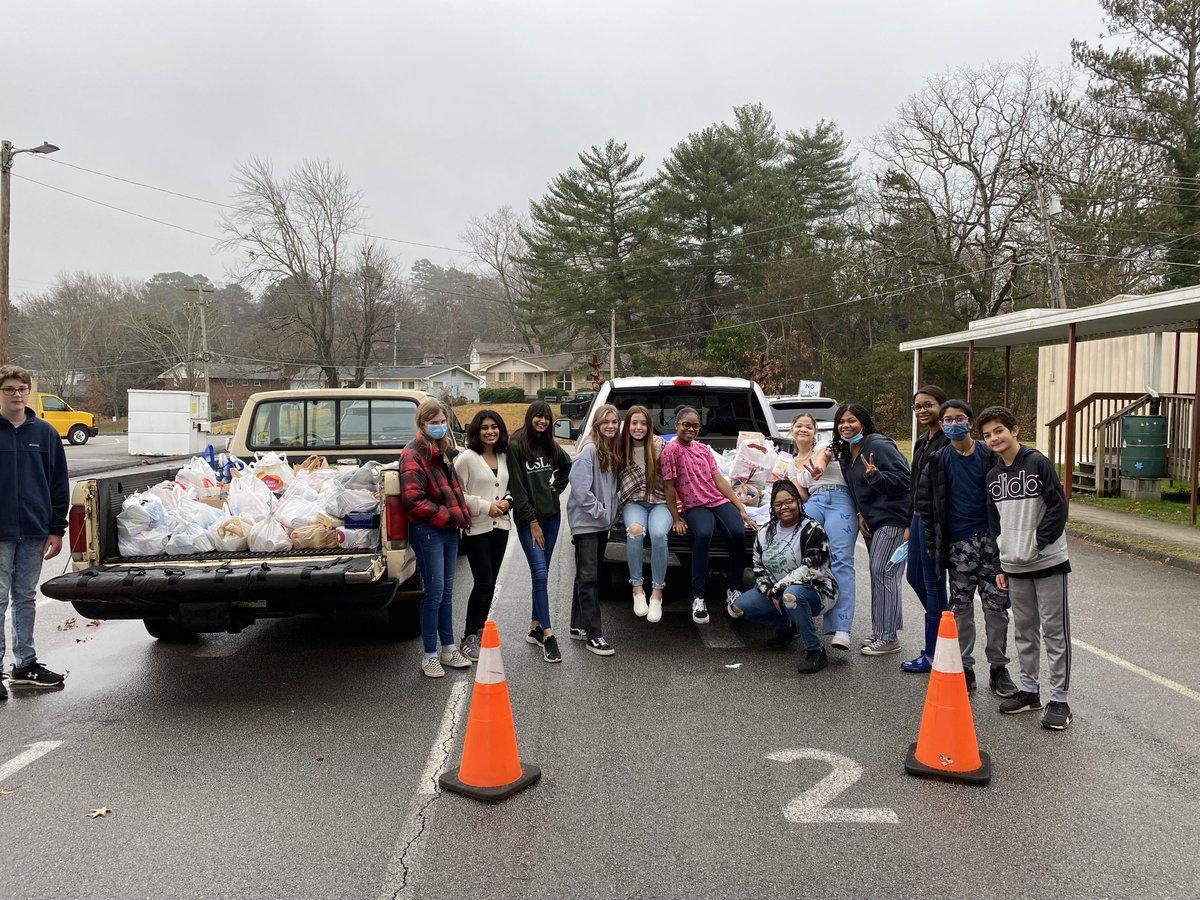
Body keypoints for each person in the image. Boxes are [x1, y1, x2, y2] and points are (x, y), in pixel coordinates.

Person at [978, 405, 1073, 731]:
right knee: (1025, 631)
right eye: (987, 435)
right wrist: (1000, 563)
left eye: (999, 431)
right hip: (1013, 566)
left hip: (1047, 562)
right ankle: (1030, 692)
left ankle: (1059, 700)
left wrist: (1037, 543)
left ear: (1015, 430)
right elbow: (995, 523)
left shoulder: (1036, 463)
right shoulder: (993, 477)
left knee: (1054, 632)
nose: (994, 438)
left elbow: (1058, 507)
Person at [915, 400, 1017, 696]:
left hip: (993, 543)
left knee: (996, 607)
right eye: (947, 420)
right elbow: (926, 506)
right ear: (942, 425)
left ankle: (998, 667)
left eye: (959, 419)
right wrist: (933, 544)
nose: (953, 424)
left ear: (970, 423)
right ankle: (964, 666)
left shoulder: (990, 456)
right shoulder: (937, 460)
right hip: (958, 545)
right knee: (960, 607)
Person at [0, 364, 68, 696]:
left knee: (25, 598)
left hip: (34, 530)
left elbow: (58, 484)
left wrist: (57, 529)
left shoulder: (45, 434)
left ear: (29, 392)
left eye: (22, 389)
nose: (17, 395)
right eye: (9, 389)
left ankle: (25, 664)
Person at [729, 480, 838, 674]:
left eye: (789, 501)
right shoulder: (765, 532)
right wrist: (769, 591)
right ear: (772, 508)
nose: (784, 507)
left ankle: (815, 651)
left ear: (798, 502)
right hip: (777, 590)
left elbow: (812, 568)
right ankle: (788, 626)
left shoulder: (813, 529)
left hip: (816, 589)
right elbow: (758, 566)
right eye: (778, 504)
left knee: (791, 596)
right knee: (737, 608)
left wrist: (779, 589)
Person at [660, 406, 757, 624]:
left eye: (695, 426)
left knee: (738, 534)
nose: (691, 429)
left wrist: (740, 508)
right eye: (686, 425)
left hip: (718, 501)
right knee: (703, 534)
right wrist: (676, 518)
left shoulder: (703, 449)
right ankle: (698, 596)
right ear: (677, 425)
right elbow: (668, 487)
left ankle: (734, 589)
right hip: (694, 505)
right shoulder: (671, 451)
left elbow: (719, 480)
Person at [399, 398, 474, 679]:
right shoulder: (412, 455)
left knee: (446, 593)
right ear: (422, 424)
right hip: (428, 531)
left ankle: (449, 648)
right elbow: (413, 502)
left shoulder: (442, 451)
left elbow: (453, 491)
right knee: (433, 593)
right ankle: (429, 655)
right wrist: (449, 516)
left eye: (443, 422)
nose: (440, 426)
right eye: (434, 422)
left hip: (448, 530)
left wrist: (459, 516)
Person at [833, 403, 910, 656]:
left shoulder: (878, 445)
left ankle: (888, 638)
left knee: (883, 572)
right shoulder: (847, 452)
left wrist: (877, 476)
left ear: (863, 422)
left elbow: (905, 479)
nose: (846, 425)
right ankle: (881, 632)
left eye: (852, 420)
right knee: (880, 574)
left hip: (892, 518)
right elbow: (855, 489)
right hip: (871, 521)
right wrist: (859, 513)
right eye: (841, 421)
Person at [507, 400, 572, 663]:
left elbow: (567, 465)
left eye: (546, 417)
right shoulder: (516, 445)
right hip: (529, 521)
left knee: (541, 575)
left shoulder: (550, 445)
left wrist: (558, 485)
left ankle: (535, 627)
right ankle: (548, 634)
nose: (542, 421)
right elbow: (518, 489)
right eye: (538, 416)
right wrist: (532, 521)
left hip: (552, 517)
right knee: (540, 573)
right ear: (530, 416)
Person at [788, 413, 857, 651]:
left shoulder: (824, 445)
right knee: (799, 556)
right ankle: (794, 615)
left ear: (815, 431)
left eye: (809, 426)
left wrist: (819, 467)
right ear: (791, 430)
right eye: (799, 425)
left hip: (839, 499)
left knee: (841, 561)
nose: (803, 429)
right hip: (814, 502)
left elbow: (823, 458)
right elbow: (802, 494)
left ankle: (841, 629)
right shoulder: (792, 462)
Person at [453, 409, 513, 661]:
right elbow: (457, 494)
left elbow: (511, 488)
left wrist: (507, 502)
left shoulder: (504, 456)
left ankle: (480, 632)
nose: (490, 431)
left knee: (491, 583)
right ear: (476, 432)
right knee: (483, 583)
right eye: (484, 428)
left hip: (501, 528)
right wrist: (484, 506)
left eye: (494, 426)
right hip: (476, 529)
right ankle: (468, 637)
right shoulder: (466, 458)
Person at [901, 385, 950, 674]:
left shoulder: (948, 441)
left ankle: (934, 653)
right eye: (917, 406)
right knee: (914, 577)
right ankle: (946, 627)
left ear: (941, 406)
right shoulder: (922, 441)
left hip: (936, 521)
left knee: (933, 583)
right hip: (917, 518)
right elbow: (914, 484)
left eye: (928, 404)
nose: (922, 410)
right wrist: (909, 522)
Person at [568, 404, 622, 656]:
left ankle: (577, 626)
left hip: (600, 523)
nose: (610, 426)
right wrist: (600, 510)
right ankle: (594, 636)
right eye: (605, 422)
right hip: (587, 523)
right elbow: (579, 488)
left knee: (586, 576)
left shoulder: (610, 449)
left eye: (614, 422)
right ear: (597, 424)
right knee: (589, 578)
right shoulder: (589, 449)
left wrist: (608, 513)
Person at [617, 404, 670, 624]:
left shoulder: (661, 446)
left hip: (660, 503)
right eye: (634, 423)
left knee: (658, 535)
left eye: (643, 423)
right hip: (634, 503)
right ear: (627, 425)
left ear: (649, 425)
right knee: (635, 531)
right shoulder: (619, 448)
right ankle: (637, 589)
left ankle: (657, 593)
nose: (638, 427)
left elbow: (675, 475)